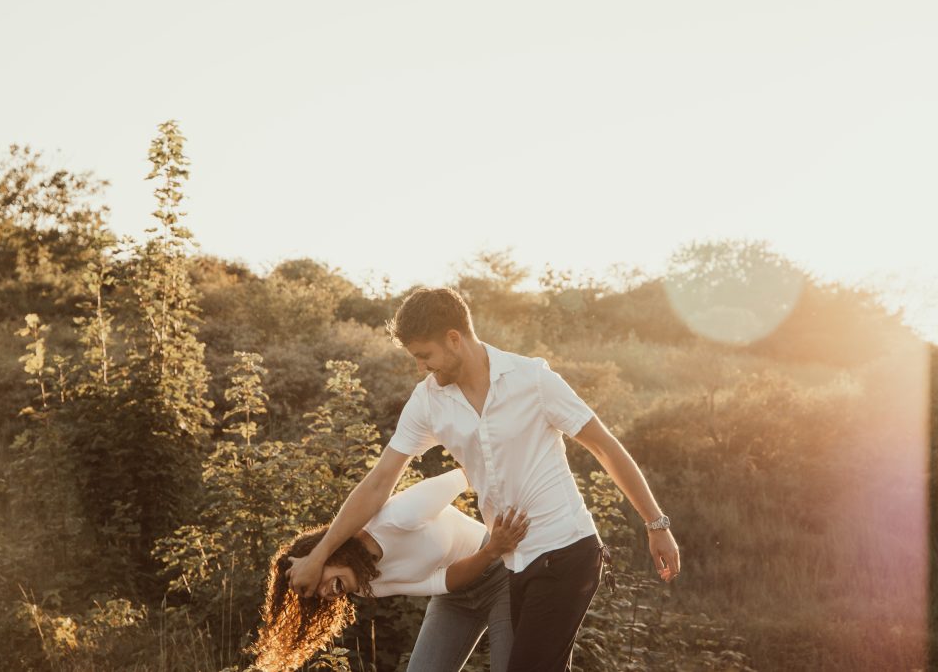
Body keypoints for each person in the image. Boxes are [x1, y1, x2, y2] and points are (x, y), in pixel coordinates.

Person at [289, 286, 681, 671]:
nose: (421, 368)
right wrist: (319, 554)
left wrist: (655, 523)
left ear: (454, 339)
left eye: (424, 356)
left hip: (566, 548)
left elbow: (605, 447)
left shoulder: (533, 380)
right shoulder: (428, 401)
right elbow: (378, 484)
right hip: (514, 562)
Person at [255, 468, 528, 672]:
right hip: (455, 595)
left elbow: (470, 471)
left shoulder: (401, 516)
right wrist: (490, 550)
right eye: (317, 596)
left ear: (326, 554)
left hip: (501, 575)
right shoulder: (363, 586)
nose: (326, 592)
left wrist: (505, 529)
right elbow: (442, 582)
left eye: (318, 581)